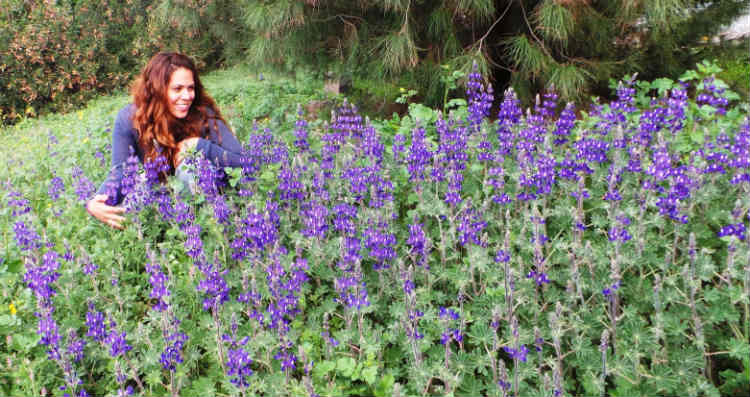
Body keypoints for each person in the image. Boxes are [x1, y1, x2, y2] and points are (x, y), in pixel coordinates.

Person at [86, 52, 243, 229]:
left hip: (209, 204)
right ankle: (153, 240)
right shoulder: (130, 119)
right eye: (177, 89)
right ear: (157, 89)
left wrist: (200, 146)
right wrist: (97, 202)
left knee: (192, 168)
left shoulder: (202, 113)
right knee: (131, 197)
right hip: (163, 198)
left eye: (190, 88)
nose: (187, 96)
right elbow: (121, 171)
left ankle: (208, 230)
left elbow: (247, 162)